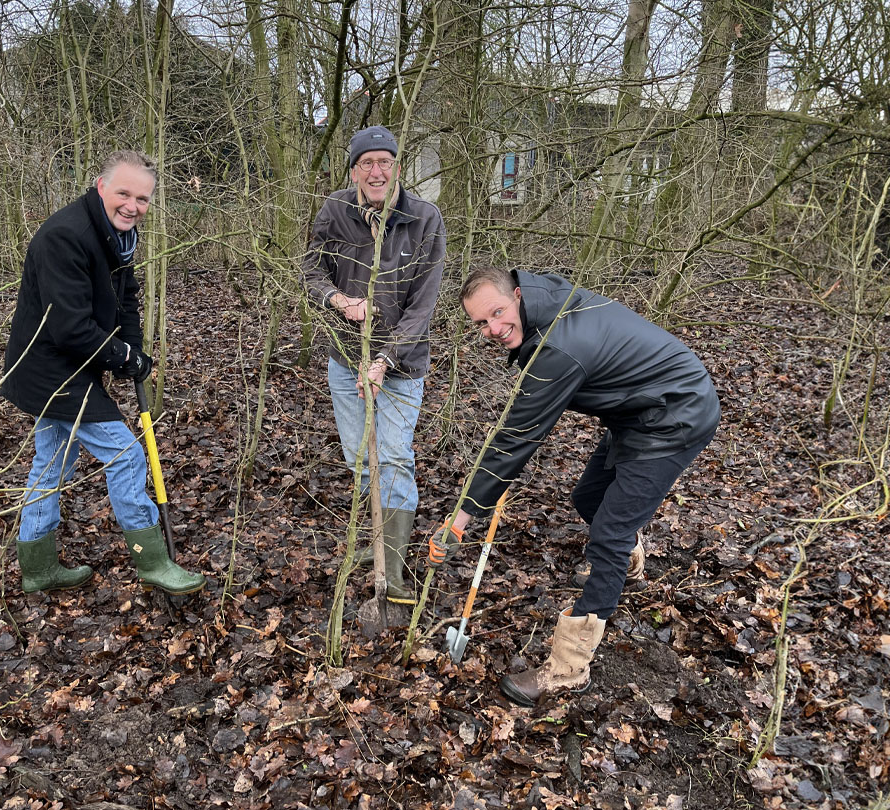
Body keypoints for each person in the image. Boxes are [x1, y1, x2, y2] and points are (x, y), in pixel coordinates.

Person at [427, 267, 719, 703]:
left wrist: (461, 518)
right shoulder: (546, 306)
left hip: (673, 417)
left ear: (518, 296)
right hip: (636, 410)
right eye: (481, 323)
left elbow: (517, 439)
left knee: (609, 535)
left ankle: (568, 667)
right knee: (587, 499)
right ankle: (627, 559)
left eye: (498, 313)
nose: (493, 329)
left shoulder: (560, 347)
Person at [2, 150, 205, 597]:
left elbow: (126, 296)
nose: (133, 205)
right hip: (50, 370)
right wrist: (121, 358)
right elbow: (69, 327)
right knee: (126, 457)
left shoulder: (116, 235)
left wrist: (133, 348)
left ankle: (37, 568)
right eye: (124, 193)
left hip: (71, 364)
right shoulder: (65, 236)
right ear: (100, 187)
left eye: (143, 198)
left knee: (50, 464)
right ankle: (152, 561)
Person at [303, 125, 446, 604]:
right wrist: (336, 299)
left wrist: (386, 358)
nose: (377, 171)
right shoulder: (335, 211)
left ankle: (397, 566)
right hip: (345, 358)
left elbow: (423, 305)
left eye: (385, 162)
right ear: (354, 171)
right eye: (367, 163)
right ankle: (379, 543)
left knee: (394, 457)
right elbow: (310, 269)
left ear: (398, 169)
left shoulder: (424, 219)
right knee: (359, 459)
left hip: (402, 366)